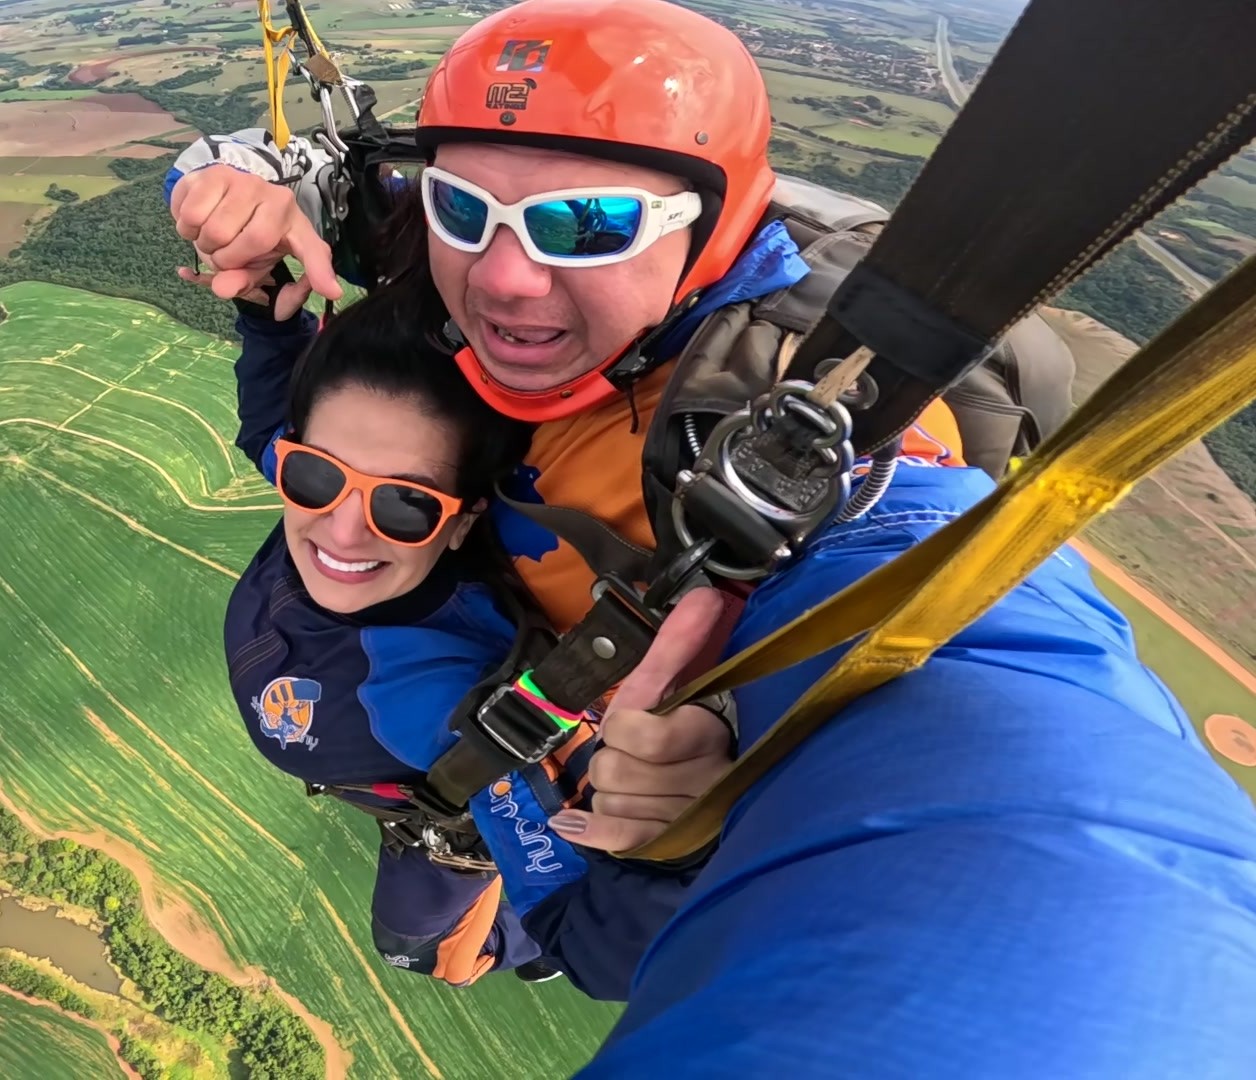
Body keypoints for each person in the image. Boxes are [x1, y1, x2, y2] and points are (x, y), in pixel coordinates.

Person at [169, 0, 1256, 1069]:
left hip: (500, 779)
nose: (501, 273)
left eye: (585, 223)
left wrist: (684, 849)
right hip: (425, 729)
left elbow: (1001, 725)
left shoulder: (809, 432)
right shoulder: (461, 297)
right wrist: (228, 188)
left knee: (429, 943)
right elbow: (307, 184)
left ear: (708, 230)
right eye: (465, 210)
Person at [221, 276, 705, 997]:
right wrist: (265, 314)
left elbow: (599, 946)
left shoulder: (459, 701)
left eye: (406, 503)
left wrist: (672, 857)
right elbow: (270, 426)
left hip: (438, 827)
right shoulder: (300, 476)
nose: (343, 528)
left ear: (463, 522)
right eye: (318, 477)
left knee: (418, 951)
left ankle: (506, 944)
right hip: (376, 773)